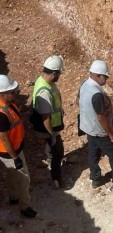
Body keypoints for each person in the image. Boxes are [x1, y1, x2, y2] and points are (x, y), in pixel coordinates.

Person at [79, 60, 113, 192]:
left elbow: (78, 101)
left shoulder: (84, 85)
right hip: (100, 131)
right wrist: (111, 133)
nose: (107, 79)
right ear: (98, 75)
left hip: (89, 128)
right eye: (106, 76)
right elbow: (101, 116)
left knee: (93, 153)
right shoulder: (96, 94)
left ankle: (96, 179)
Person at [0, 74, 37, 218]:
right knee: (24, 178)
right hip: (11, 152)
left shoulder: (9, 104)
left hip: (11, 150)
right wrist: (15, 157)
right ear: (3, 94)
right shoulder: (2, 114)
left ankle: (14, 197)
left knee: (11, 175)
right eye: (11, 91)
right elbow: (4, 138)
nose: (15, 93)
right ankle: (25, 207)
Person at [31, 55, 65, 189]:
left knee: (51, 149)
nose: (60, 76)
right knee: (57, 151)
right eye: (60, 73)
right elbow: (46, 118)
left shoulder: (43, 81)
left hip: (52, 125)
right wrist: (52, 135)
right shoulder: (44, 91)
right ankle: (56, 178)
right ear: (54, 73)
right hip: (49, 128)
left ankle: (50, 158)